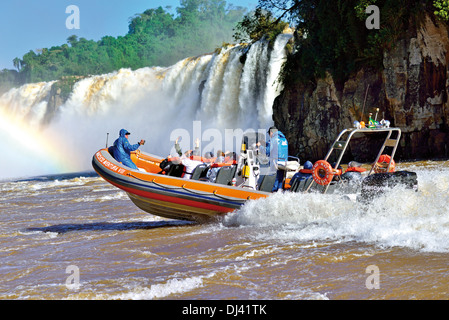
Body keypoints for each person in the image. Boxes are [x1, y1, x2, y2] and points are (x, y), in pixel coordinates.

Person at [264, 126, 288, 192]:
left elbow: (267, 152)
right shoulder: (284, 139)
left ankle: (273, 191)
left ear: (271, 132)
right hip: (284, 162)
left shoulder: (273, 139)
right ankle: (279, 190)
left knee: (274, 178)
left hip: (275, 162)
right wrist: (266, 143)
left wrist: (260, 146)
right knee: (280, 178)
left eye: (269, 134)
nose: (269, 136)